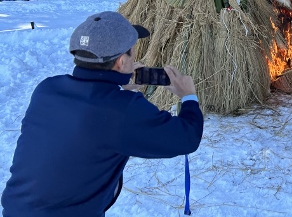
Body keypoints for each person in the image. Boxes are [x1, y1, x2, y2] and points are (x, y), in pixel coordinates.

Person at [1, 11, 204, 217]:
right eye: (132, 53)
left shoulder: (47, 89)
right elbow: (186, 138)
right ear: (121, 62)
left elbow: (88, 117)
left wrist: (118, 87)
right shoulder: (122, 109)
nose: (135, 58)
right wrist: (188, 96)